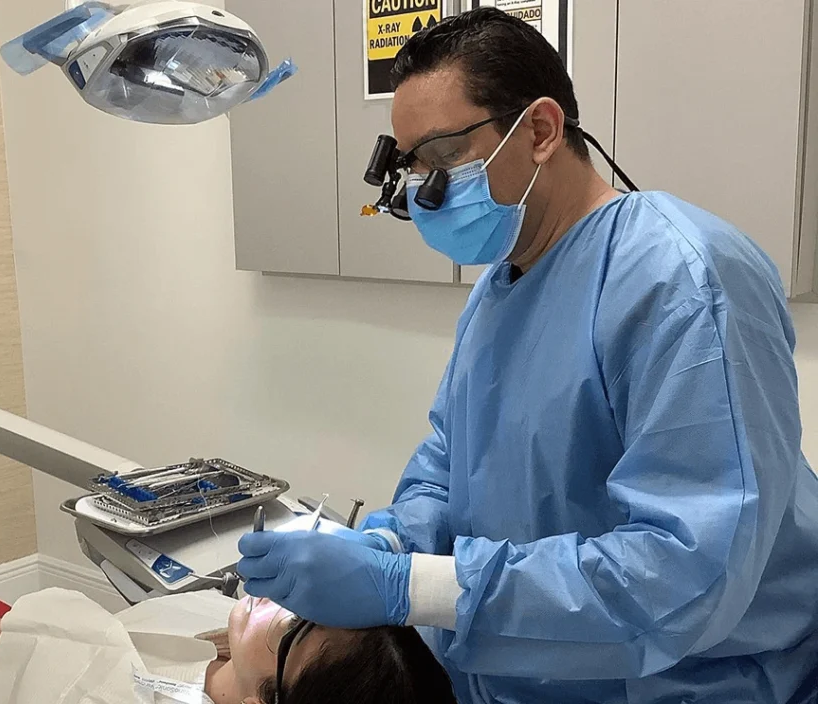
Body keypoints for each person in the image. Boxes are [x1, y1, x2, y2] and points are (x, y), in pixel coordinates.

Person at [236, 7, 818, 703]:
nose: (425, 189)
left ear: (540, 130)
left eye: (443, 157)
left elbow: (688, 573)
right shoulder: (500, 289)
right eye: (412, 163)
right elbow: (450, 466)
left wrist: (411, 586)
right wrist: (391, 542)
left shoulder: (682, 279)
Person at [0, 553, 457, 704]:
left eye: (293, 632)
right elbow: (115, 649)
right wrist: (12, 631)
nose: (285, 604)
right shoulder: (218, 640)